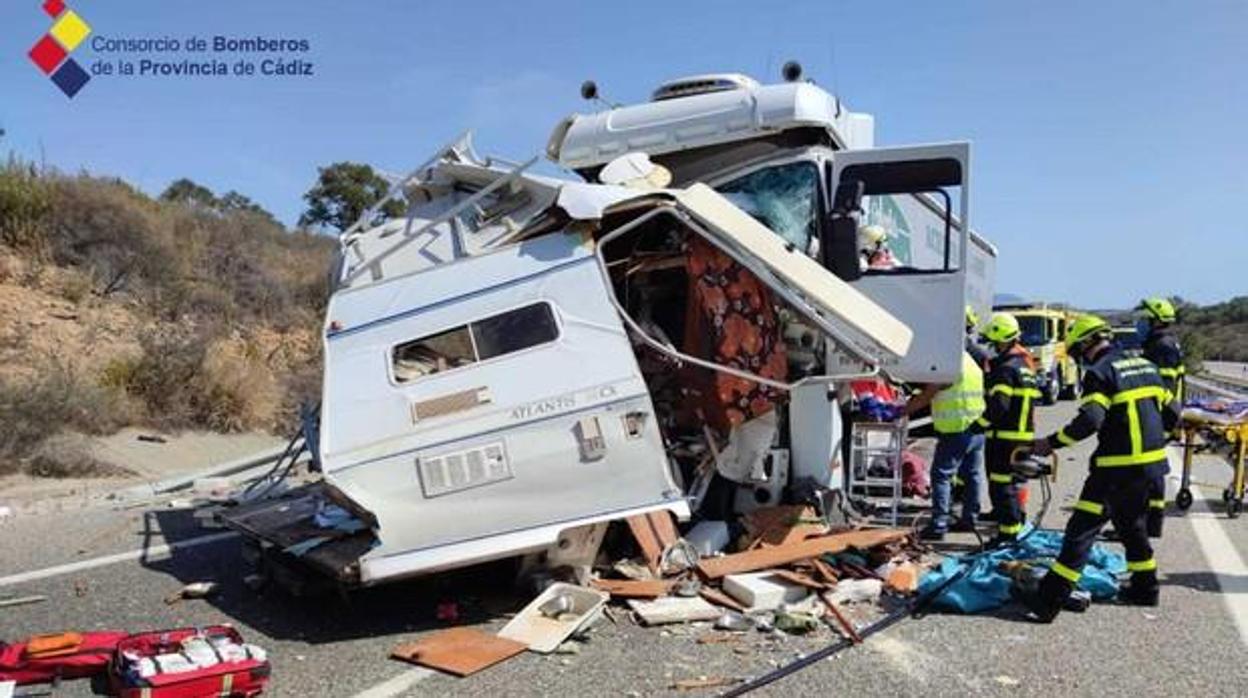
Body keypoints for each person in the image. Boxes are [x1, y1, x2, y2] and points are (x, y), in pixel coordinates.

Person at [1016, 315, 1180, 622]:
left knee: (1081, 530)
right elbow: (1173, 410)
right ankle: (1146, 589)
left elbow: (1090, 420)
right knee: (1132, 526)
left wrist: (1050, 443)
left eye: (1077, 349)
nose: (1078, 357)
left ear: (1088, 343)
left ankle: (1048, 601)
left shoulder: (1101, 372)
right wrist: (1156, 439)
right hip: (1152, 467)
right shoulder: (1147, 366)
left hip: (1115, 470)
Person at [969, 312, 1039, 545]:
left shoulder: (1005, 370)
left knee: (1002, 486)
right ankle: (1015, 526)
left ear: (1002, 339)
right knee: (1011, 484)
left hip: (1005, 439)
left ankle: (1007, 535)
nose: (991, 347)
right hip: (1023, 437)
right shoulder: (1024, 367)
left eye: (992, 342)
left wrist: (979, 425)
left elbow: (999, 406)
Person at [905, 346, 986, 540]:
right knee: (973, 475)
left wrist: (899, 411)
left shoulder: (950, 366)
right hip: (976, 428)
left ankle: (939, 524)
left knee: (941, 476)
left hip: (955, 429)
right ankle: (969, 519)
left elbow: (927, 395)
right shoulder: (971, 363)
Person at [1137, 297, 1184, 537]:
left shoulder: (1161, 347)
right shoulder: (1165, 343)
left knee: (1148, 472)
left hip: (1159, 416)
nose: (1140, 324)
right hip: (1162, 415)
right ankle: (1150, 524)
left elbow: (1164, 387)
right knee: (1151, 471)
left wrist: (1162, 421)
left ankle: (1144, 524)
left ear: (1155, 320)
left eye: (1144, 319)